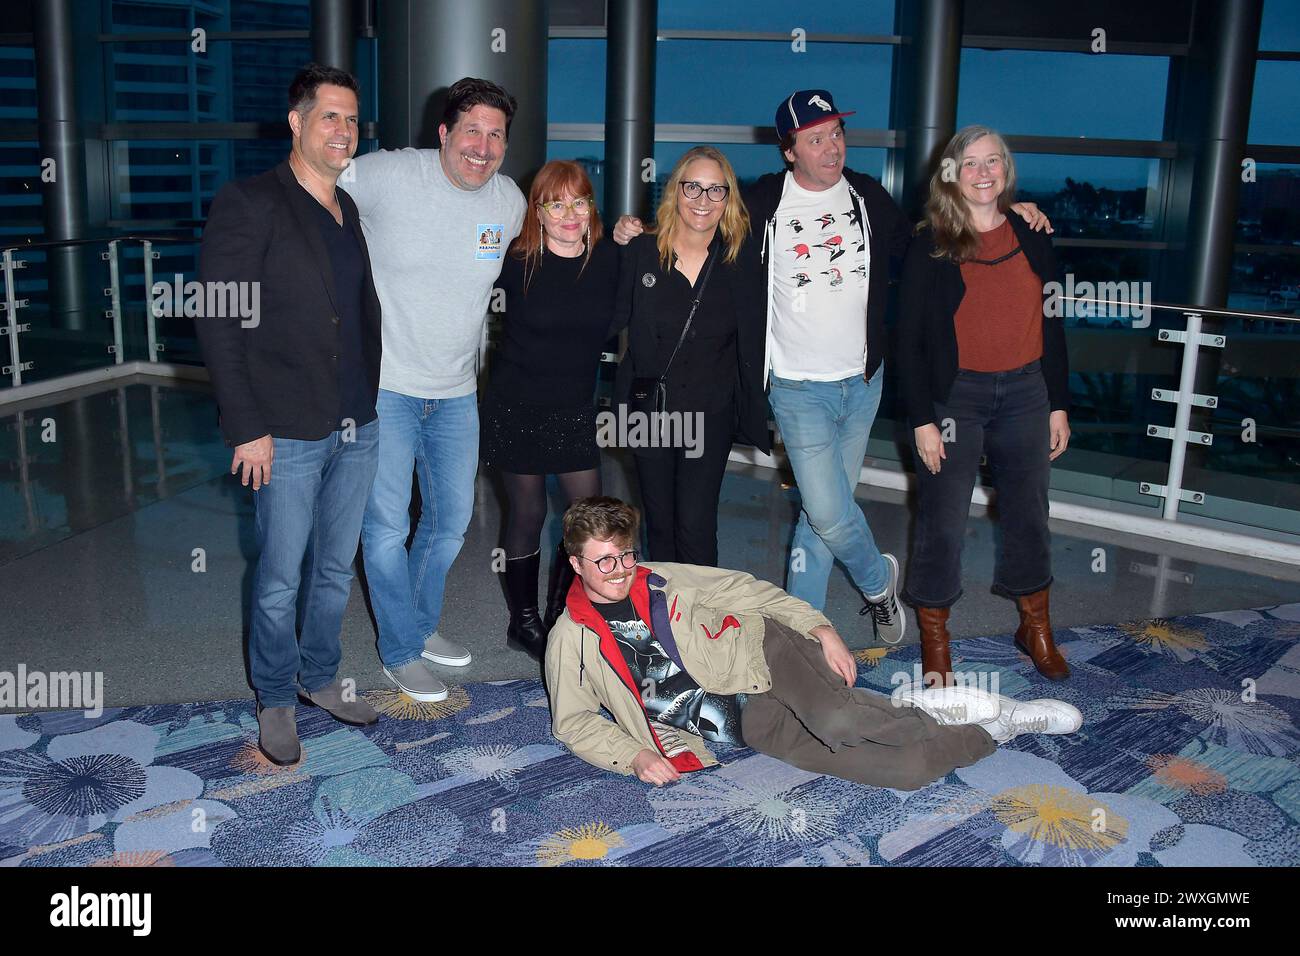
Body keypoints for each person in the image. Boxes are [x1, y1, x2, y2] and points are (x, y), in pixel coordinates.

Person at [613, 89, 1051, 648]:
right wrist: (636, 234)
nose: (831, 147)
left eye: (836, 134)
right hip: (797, 387)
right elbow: (700, 222)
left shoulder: (868, 195)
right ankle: (876, 581)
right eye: (815, 138)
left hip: (864, 382)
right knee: (826, 508)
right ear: (789, 151)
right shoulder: (763, 202)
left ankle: (805, 640)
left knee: (824, 522)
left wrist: (1006, 211)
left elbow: (933, 240)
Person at [544, 497, 1082, 789]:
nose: (620, 571)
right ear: (576, 563)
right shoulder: (570, 639)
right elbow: (573, 721)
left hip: (764, 651)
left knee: (839, 721)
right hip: (739, 720)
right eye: (604, 561)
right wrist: (633, 753)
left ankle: (927, 712)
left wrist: (820, 628)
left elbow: (749, 591)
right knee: (904, 773)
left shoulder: (662, 578)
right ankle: (992, 727)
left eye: (626, 555)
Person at [196, 64, 382, 764]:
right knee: (279, 574)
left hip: (356, 425)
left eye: (352, 118)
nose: (343, 130)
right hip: (285, 430)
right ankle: (275, 696)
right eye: (329, 116)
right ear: (296, 123)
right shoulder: (250, 204)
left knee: (335, 567)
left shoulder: (347, 208)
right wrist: (246, 427)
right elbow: (219, 322)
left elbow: (353, 314)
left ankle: (319, 678)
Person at [342, 78, 526, 701]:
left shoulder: (508, 203)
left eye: (496, 134)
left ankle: (418, 630)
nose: (483, 145)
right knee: (386, 527)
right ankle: (397, 650)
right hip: (387, 387)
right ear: (443, 133)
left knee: (449, 524)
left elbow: (550, 261)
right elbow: (307, 191)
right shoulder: (386, 175)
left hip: (456, 392)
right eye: (470, 129)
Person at [897, 126, 1072, 687]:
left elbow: (1052, 322)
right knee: (943, 520)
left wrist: (1058, 403)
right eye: (969, 162)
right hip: (957, 399)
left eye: (992, 161)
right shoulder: (931, 242)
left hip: (1026, 392)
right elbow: (909, 341)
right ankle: (936, 639)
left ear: (1006, 170)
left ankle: (1035, 627)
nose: (982, 171)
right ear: (952, 173)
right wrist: (922, 418)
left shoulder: (1033, 230)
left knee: (1029, 515)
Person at [481, 160, 620, 660]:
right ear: (537, 211)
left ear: (590, 208)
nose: (568, 213)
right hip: (516, 404)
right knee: (528, 512)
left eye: (578, 202)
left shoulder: (608, 260)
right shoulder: (515, 262)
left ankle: (564, 615)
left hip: (574, 408)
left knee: (587, 516)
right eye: (555, 203)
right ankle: (524, 622)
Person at [610, 146, 769, 567]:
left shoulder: (741, 259)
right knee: (658, 522)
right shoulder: (641, 250)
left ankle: (702, 620)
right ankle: (666, 615)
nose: (703, 200)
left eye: (715, 190)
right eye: (693, 187)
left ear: (728, 198)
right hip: (647, 409)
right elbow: (608, 316)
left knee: (696, 524)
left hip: (709, 411)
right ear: (675, 191)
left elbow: (761, 332)